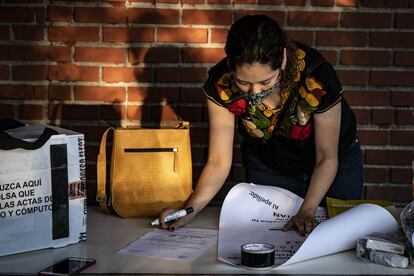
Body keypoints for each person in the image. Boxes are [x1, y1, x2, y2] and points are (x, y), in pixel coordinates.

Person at [159, 14, 363, 235]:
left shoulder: (317, 78)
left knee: (338, 238)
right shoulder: (221, 83)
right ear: (230, 64)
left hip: (332, 163)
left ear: (283, 59)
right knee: (269, 237)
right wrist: (189, 209)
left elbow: (327, 157)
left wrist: (307, 210)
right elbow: (218, 161)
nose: (254, 92)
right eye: (243, 82)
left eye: (265, 81)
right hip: (269, 163)